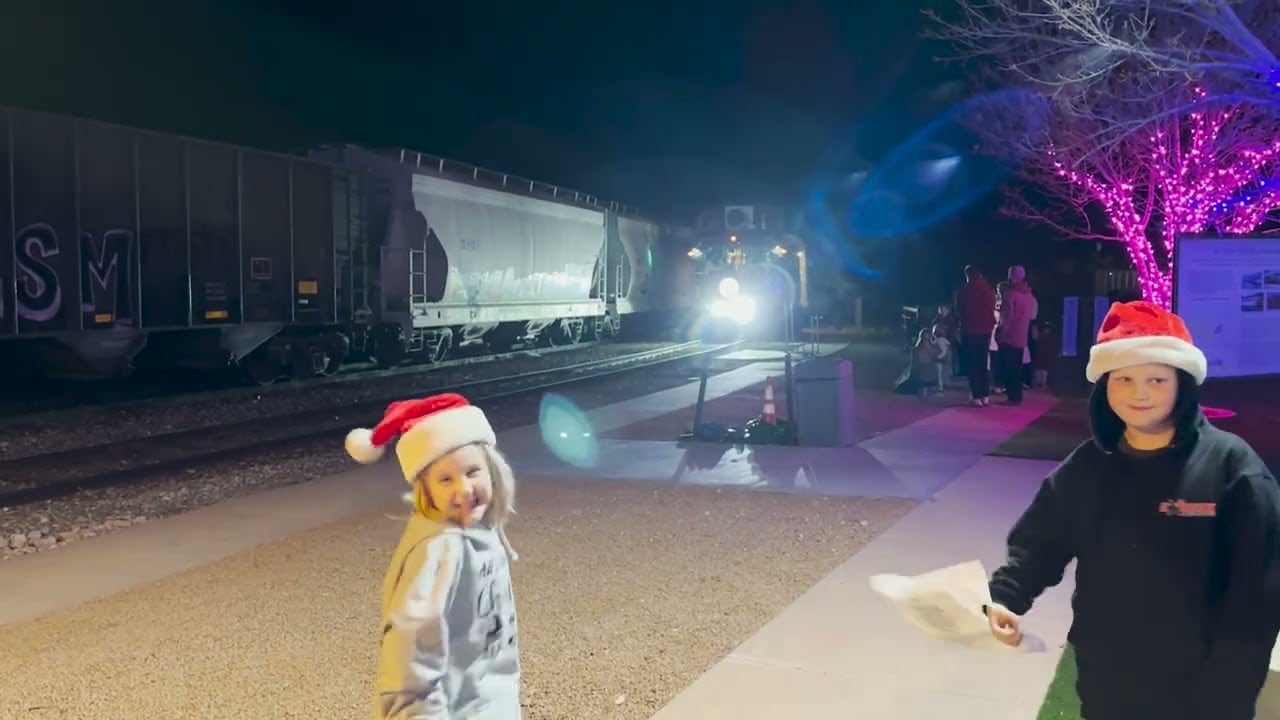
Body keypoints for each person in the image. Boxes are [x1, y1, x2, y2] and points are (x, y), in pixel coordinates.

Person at [984, 301, 1280, 720]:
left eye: (1156, 379)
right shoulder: (1088, 468)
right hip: (1108, 681)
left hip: (1205, 691)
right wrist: (1005, 598)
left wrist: (1229, 693)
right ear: (1105, 387)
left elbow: (1259, 593)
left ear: (1182, 384)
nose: (1139, 393)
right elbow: (1041, 541)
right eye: (1124, 379)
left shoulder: (1233, 468)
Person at [345, 392, 522, 720]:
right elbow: (409, 664)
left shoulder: (479, 533)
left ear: (492, 471)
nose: (464, 490)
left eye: (472, 472)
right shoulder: (441, 552)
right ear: (425, 490)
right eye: (445, 479)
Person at [955, 265, 997, 407]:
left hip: (970, 331)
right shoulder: (988, 290)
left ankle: (976, 396)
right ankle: (985, 395)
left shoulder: (964, 291)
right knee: (982, 363)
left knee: (973, 365)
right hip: (985, 331)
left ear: (967, 275)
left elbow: (959, 310)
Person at [995, 265, 1035, 406]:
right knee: (1017, 368)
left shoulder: (1010, 294)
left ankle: (1012, 397)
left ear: (1011, 276)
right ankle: (1017, 396)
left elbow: (1006, 317)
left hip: (1009, 337)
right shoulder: (1029, 295)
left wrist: (1001, 331)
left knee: (1008, 367)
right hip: (1022, 336)